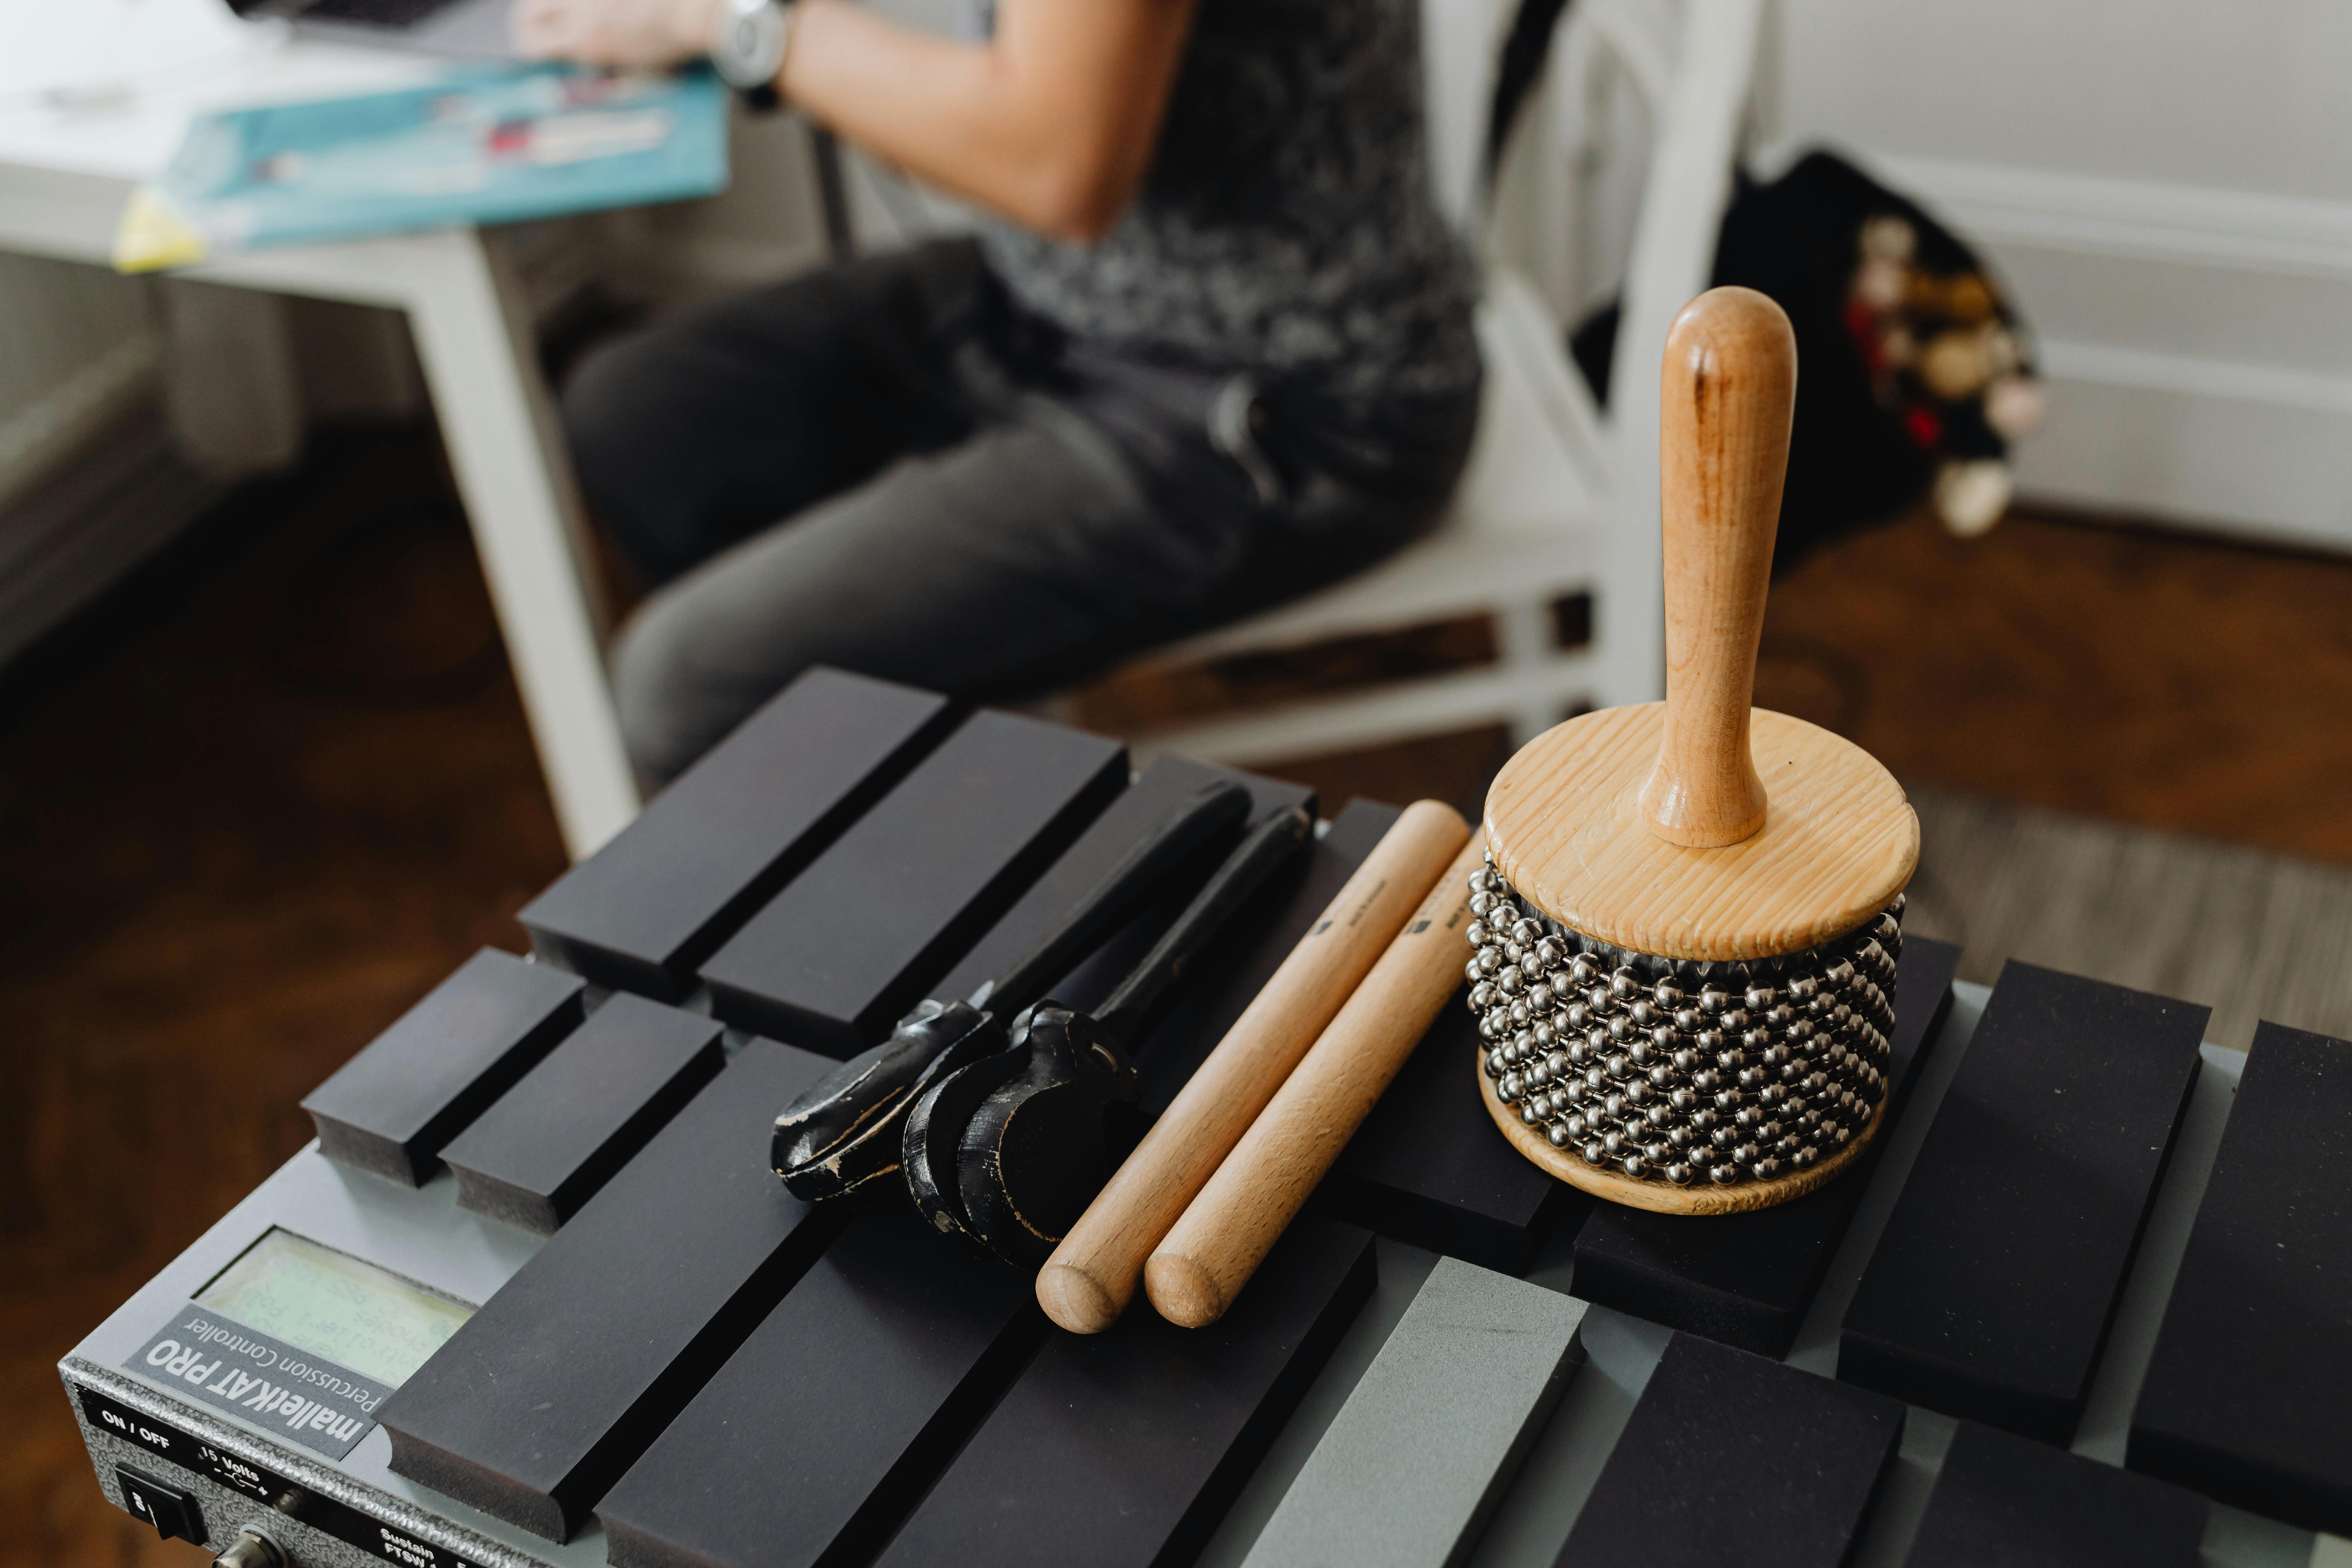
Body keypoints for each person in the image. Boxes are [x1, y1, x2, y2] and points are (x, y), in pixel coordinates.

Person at [522, 0, 1482, 784]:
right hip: (1057, 297)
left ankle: (918, 929)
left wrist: (740, 25)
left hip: (1285, 398)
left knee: (687, 683)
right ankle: (903, 783)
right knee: (640, 417)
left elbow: (1055, 166)